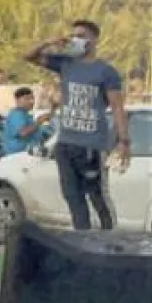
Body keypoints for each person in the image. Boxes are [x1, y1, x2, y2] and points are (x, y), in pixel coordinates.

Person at [25, 19, 129, 230]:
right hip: (66, 143)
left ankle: (110, 238)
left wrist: (124, 141)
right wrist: (50, 41)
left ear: (93, 40)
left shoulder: (106, 72)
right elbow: (28, 56)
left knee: (97, 194)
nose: (76, 40)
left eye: (81, 36)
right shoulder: (65, 63)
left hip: (91, 145)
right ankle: (82, 236)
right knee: (72, 195)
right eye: (74, 36)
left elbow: (117, 107)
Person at [1, 86, 54, 156]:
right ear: (17, 100)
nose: (31, 101)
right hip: (18, 156)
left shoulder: (25, 115)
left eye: (32, 98)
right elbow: (23, 132)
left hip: (29, 155)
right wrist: (39, 121)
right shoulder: (17, 114)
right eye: (27, 99)